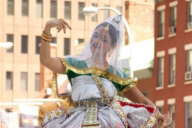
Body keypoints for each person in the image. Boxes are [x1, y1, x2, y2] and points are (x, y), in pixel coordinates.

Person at [40, 15, 172, 128]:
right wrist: (47, 28)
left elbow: (142, 100)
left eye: (104, 39)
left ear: (113, 46)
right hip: (77, 120)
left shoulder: (117, 74)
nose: (97, 41)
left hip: (109, 121)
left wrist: (161, 117)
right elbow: (46, 60)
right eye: (95, 36)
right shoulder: (75, 64)